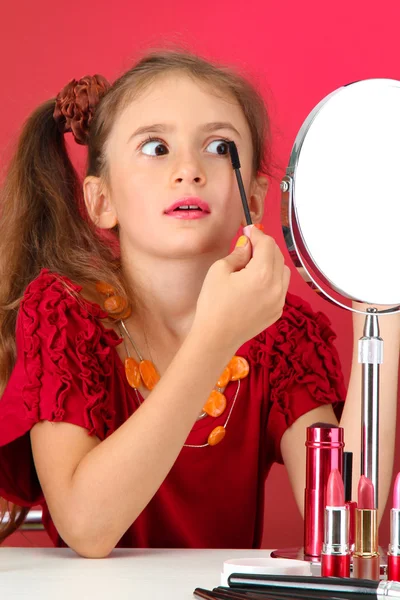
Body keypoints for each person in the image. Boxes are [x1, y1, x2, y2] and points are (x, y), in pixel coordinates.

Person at [0, 49, 399, 559]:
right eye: (155, 147)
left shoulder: (284, 335)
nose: (188, 169)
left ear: (254, 199)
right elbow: (86, 525)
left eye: (218, 145)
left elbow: (344, 522)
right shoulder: (63, 315)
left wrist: (383, 303)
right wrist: (215, 337)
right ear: (102, 201)